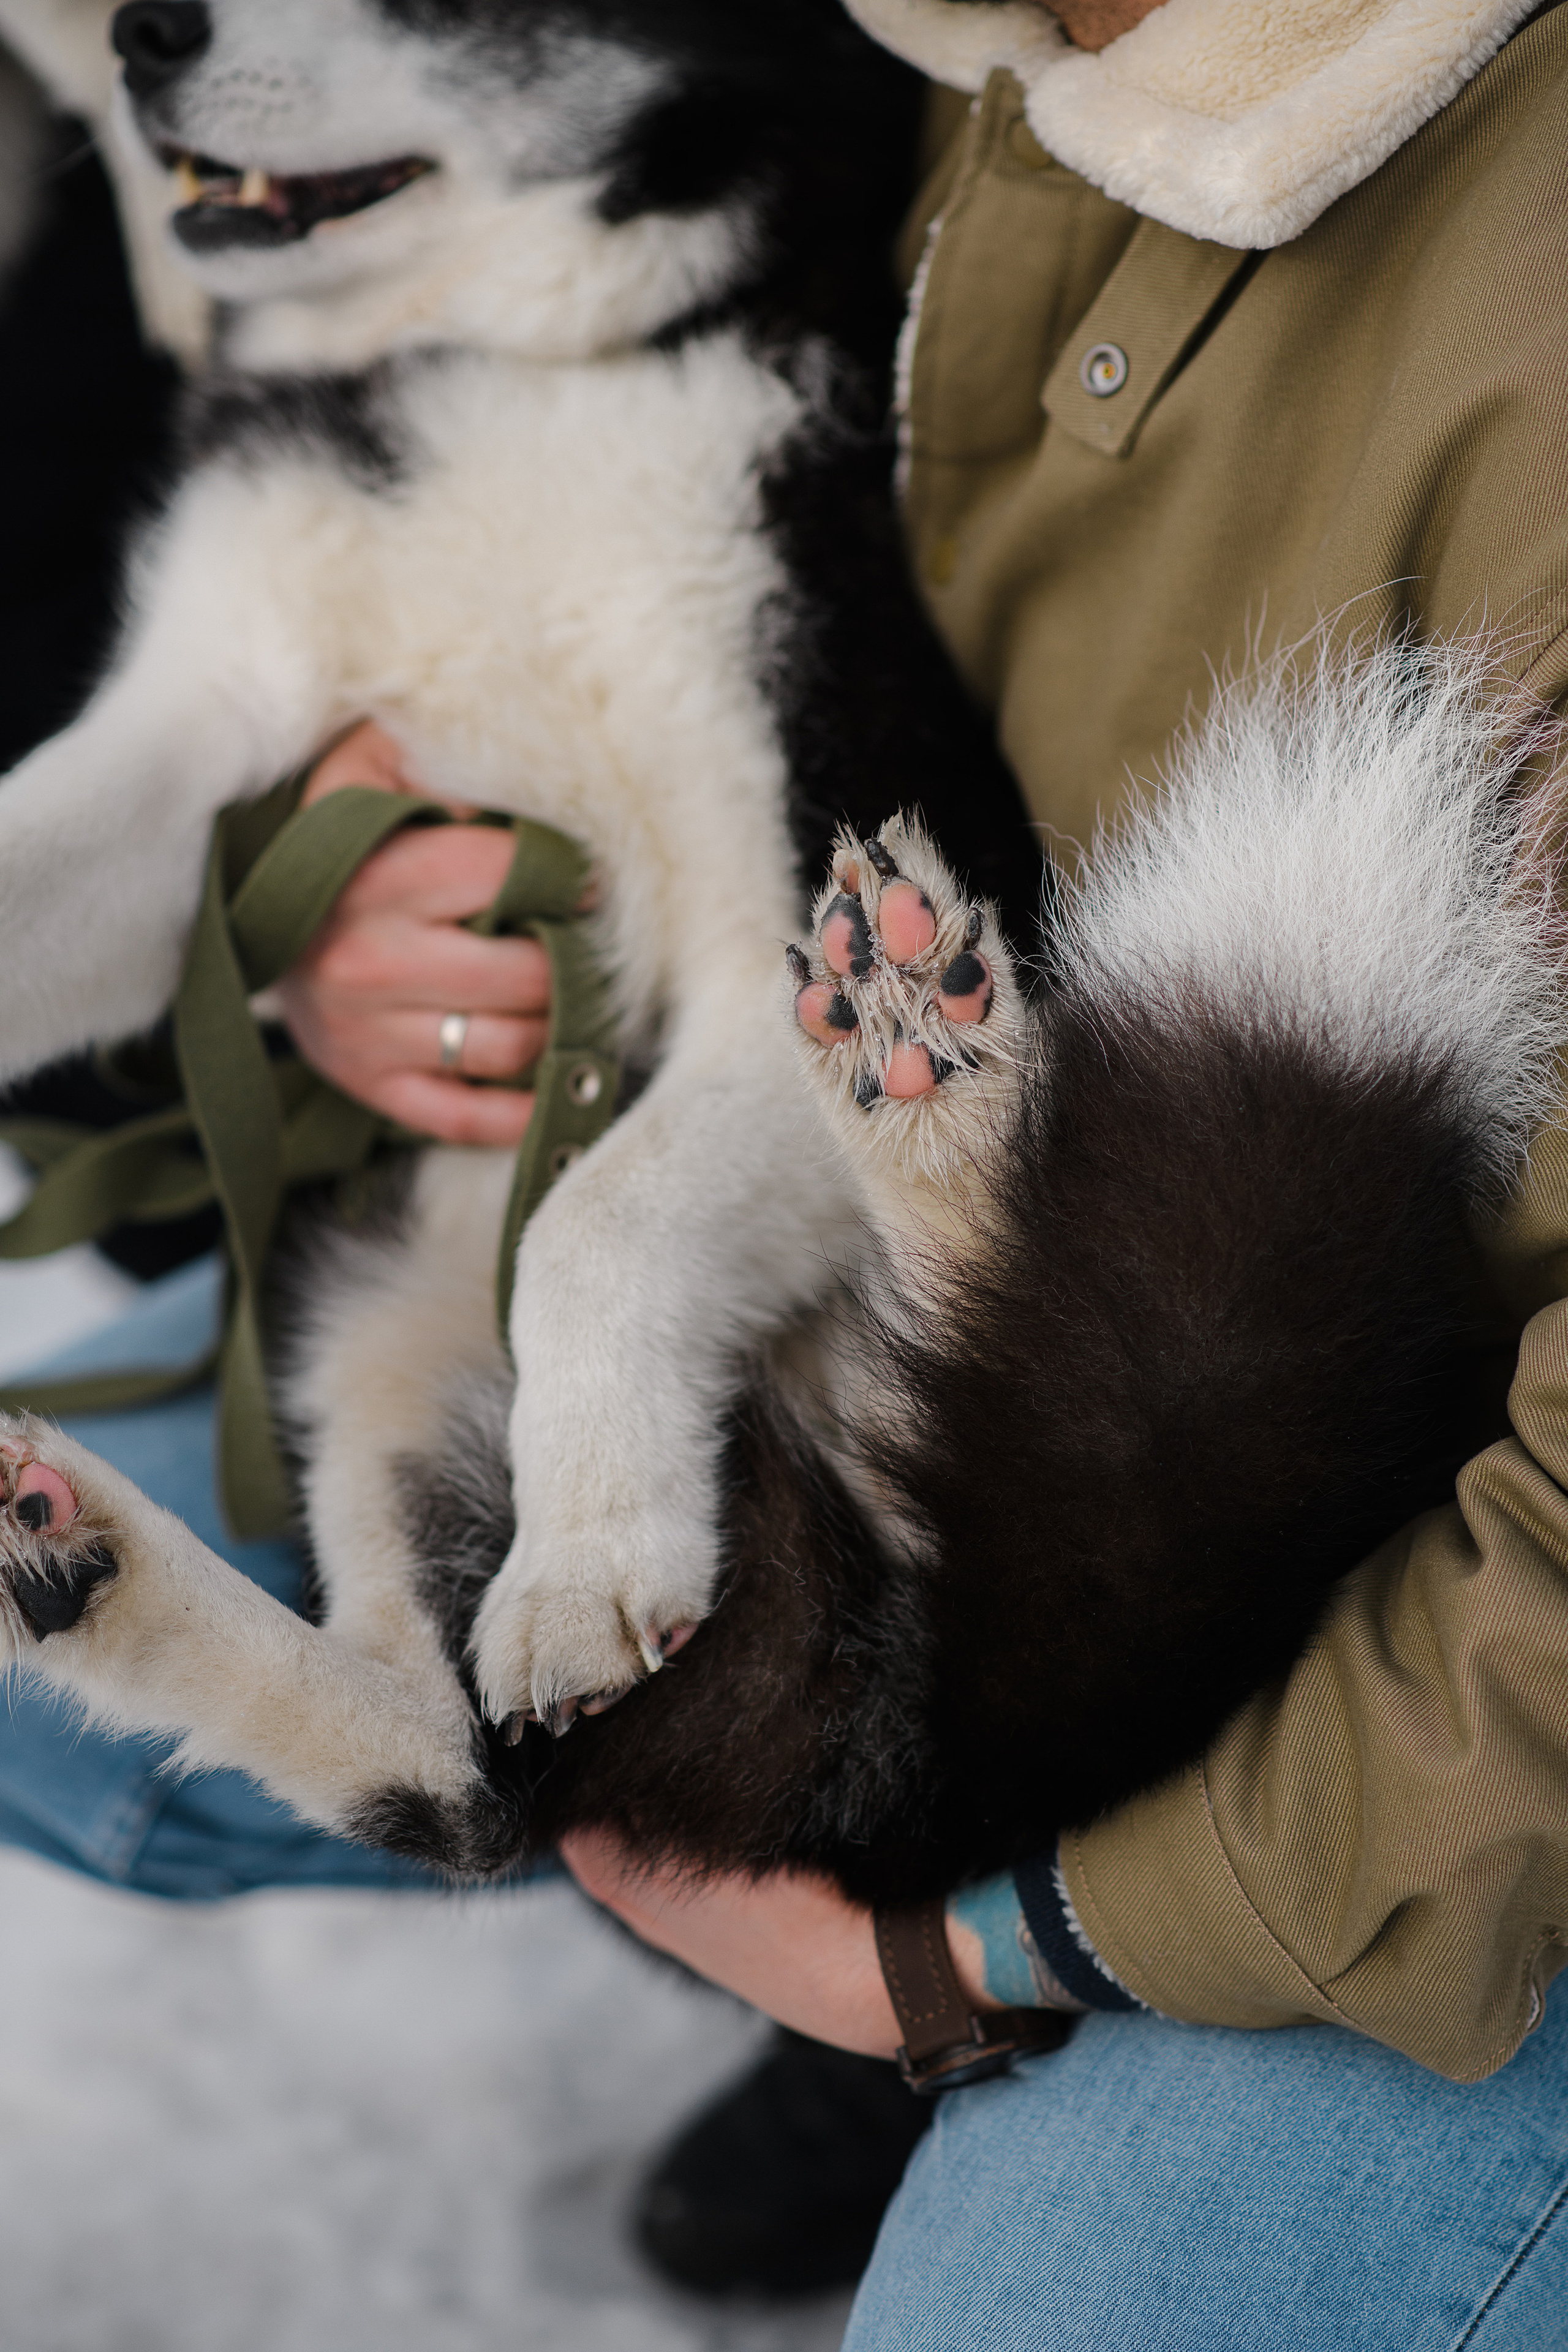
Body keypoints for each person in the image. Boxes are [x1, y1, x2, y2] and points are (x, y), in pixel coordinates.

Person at [4, 1, 1568, 2342]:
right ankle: (505, 1758)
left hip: (1437, 1637)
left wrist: (989, 1948)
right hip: (959, 1277)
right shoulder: (958, 81)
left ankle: (896, 1927)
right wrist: (298, 928)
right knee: (369, 1462)